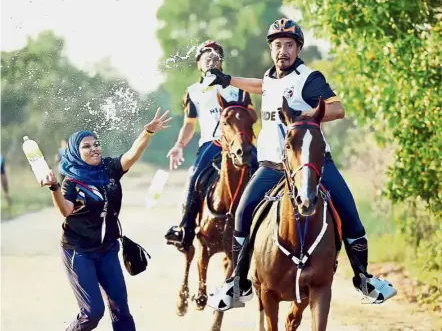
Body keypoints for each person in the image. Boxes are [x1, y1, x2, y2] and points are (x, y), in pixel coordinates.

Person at [206, 18, 397, 310]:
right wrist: (227, 79)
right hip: (271, 165)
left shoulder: (309, 78)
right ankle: (237, 283)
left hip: (311, 163)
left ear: (298, 49)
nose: (283, 50)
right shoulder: (271, 77)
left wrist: (302, 113)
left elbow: (337, 108)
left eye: (289, 45)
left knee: (350, 214)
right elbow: (262, 87)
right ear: (271, 49)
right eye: (278, 45)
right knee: (242, 214)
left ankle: (364, 279)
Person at [42, 108, 171, 331]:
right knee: (92, 313)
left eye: (96, 144)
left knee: (121, 309)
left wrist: (147, 133)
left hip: (108, 249)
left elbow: (132, 154)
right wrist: (54, 188)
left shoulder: (109, 168)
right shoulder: (71, 182)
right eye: (87, 146)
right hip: (79, 251)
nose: (94, 149)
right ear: (75, 151)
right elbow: (66, 210)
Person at [164, 40, 259, 252]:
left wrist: (238, 111)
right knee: (195, 177)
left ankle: (269, 224)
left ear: (221, 62)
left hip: (239, 141)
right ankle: (185, 230)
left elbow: (253, 115)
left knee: (264, 170)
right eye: (205, 55)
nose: (211, 57)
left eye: (216, 54)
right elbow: (190, 124)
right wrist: (179, 145)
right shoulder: (193, 91)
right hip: (212, 143)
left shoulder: (238, 87)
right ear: (198, 63)